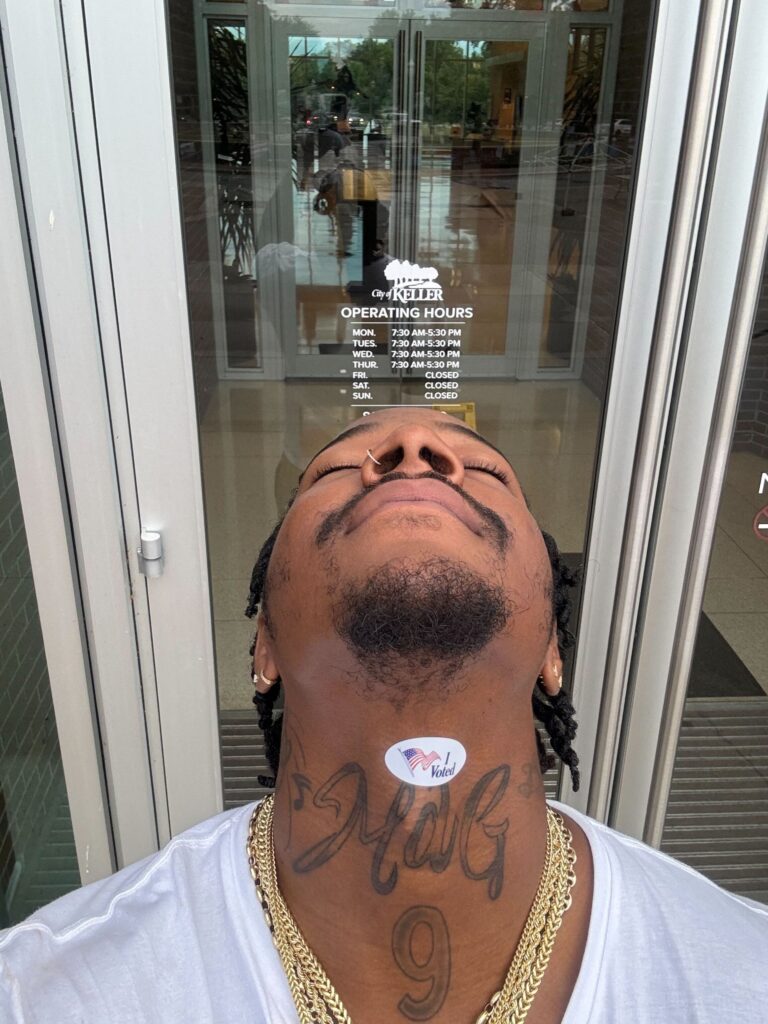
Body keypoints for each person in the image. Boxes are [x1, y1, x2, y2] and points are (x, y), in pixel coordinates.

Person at [1, 407, 767, 1023]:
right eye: (339, 467)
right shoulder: (43, 990)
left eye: (488, 472)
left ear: (551, 649)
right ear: (263, 643)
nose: (415, 442)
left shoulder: (743, 974)